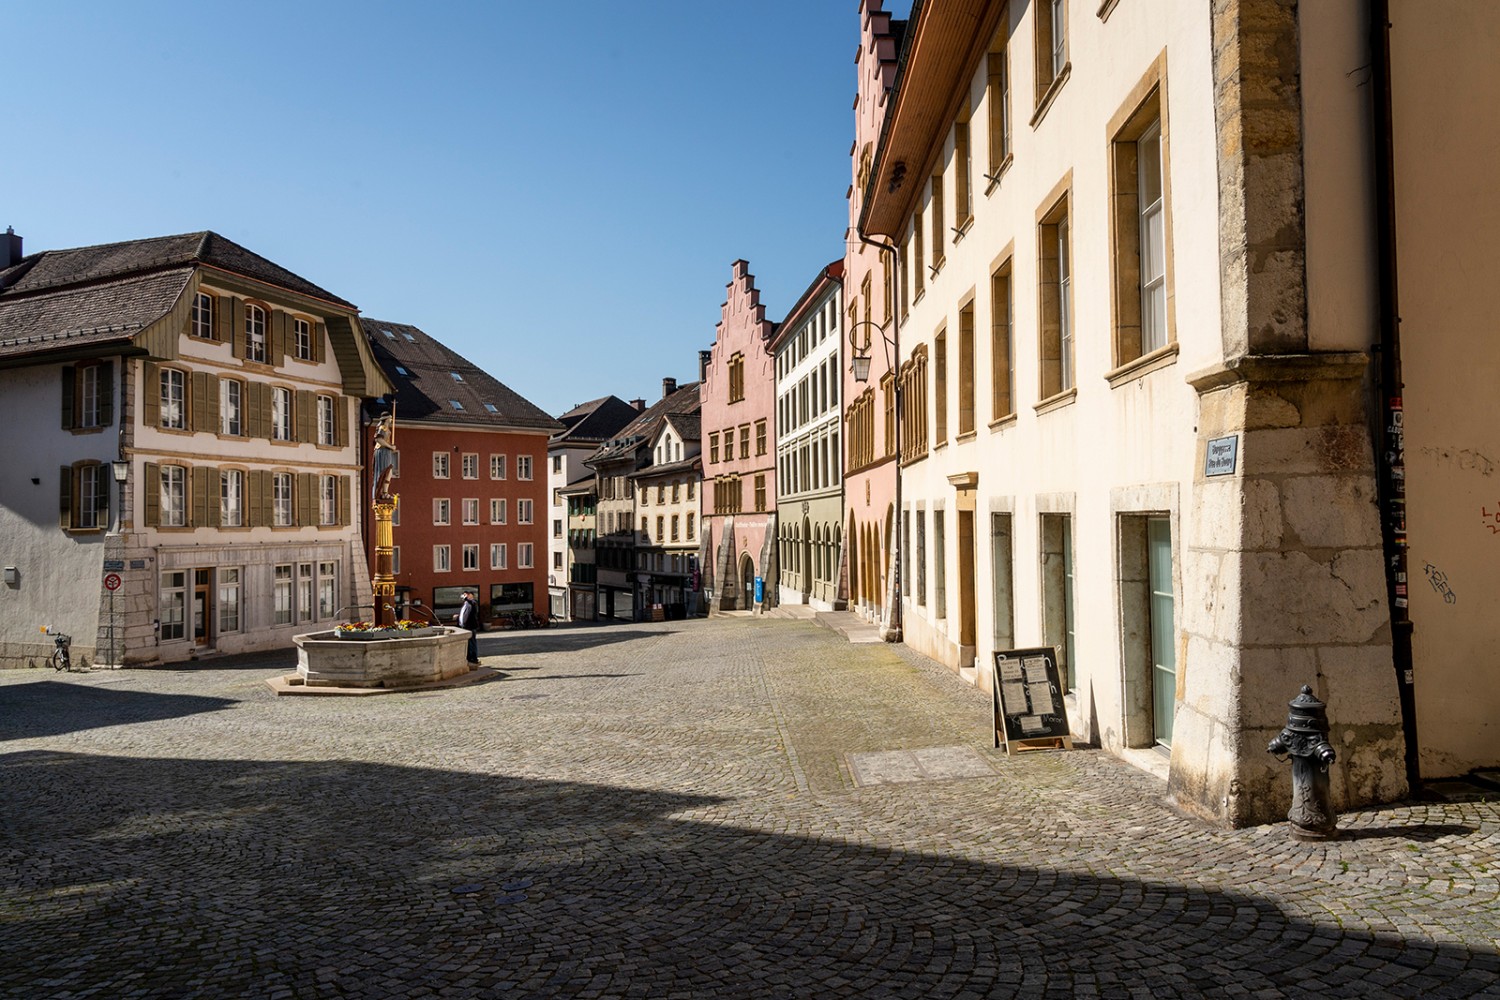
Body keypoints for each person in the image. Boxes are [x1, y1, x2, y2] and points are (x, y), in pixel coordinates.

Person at [455, 590, 480, 665]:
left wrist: (466, 598)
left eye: (466, 595)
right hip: (465, 626)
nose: (464, 596)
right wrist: (458, 618)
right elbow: (465, 614)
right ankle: (469, 657)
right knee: (468, 643)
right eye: (464, 595)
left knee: (472, 642)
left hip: (471, 626)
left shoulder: (473, 603)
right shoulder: (466, 603)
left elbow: (471, 612)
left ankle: (473, 658)